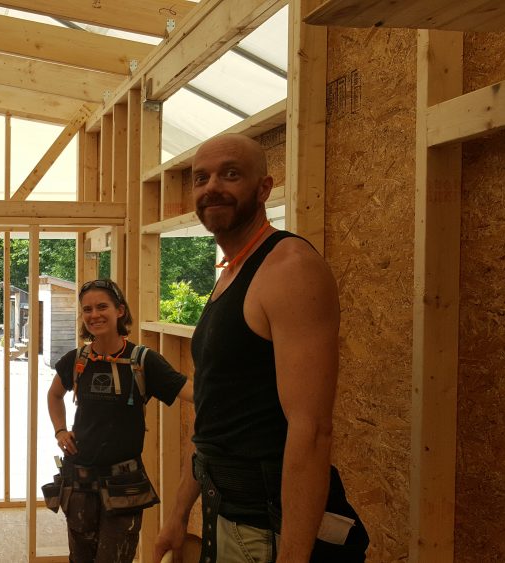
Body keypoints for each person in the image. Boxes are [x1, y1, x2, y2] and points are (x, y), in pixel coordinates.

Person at [152, 134, 368, 563]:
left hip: (266, 529)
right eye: (201, 178)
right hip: (226, 514)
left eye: (230, 174)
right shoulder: (232, 274)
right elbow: (215, 415)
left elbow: (311, 430)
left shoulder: (289, 268)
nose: (212, 187)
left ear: (264, 188)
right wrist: (178, 513)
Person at [47, 278, 192, 562]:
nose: (94, 315)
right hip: (80, 481)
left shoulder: (143, 361)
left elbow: (190, 391)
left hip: (123, 484)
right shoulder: (76, 360)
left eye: (102, 307)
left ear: (120, 311)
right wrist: (60, 430)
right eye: (87, 309)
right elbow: (54, 395)